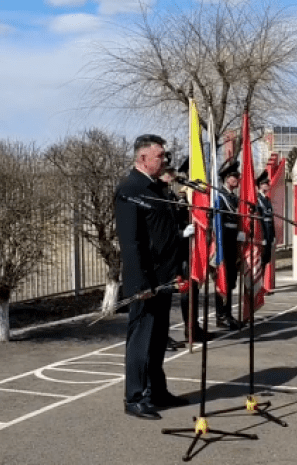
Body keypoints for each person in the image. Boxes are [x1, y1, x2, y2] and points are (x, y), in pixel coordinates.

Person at [114, 134, 188, 420]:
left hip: (165, 277)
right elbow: (131, 242)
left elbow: (166, 233)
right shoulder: (131, 188)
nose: (165, 160)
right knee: (141, 340)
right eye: (160, 156)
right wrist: (140, 283)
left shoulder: (157, 188)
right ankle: (134, 398)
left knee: (158, 339)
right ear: (143, 157)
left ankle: (157, 391)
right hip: (145, 280)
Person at [158, 161, 206, 350]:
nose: (172, 175)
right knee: (166, 295)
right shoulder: (162, 195)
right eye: (167, 171)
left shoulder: (171, 193)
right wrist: (181, 234)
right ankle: (163, 335)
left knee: (188, 289)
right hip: (170, 251)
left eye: (172, 172)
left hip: (182, 247)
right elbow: (163, 229)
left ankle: (191, 327)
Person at [214, 160, 244, 331]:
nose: (237, 179)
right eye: (234, 176)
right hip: (223, 243)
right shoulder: (219, 197)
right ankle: (221, 315)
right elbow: (219, 222)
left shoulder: (234, 197)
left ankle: (228, 313)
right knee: (222, 278)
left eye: (238, 176)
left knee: (231, 279)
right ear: (226, 178)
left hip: (233, 243)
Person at [256, 170, 276, 272]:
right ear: (260, 185)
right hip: (262, 233)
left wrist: (273, 235)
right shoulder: (257, 199)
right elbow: (258, 220)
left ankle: (262, 284)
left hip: (268, 234)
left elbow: (271, 219)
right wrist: (262, 236)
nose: (267, 185)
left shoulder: (267, 200)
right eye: (265, 184)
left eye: (268, 184)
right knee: (261, 259)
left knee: (266, 258)